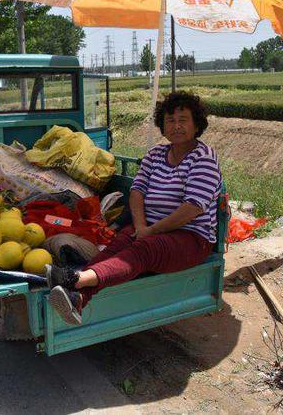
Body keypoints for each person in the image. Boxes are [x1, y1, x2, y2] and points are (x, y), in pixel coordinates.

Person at [46, 91, 223, 325]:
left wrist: (152, 231)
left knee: (144, 249)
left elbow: (191, 208)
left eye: (183, 120)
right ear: (162, 125)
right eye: (170, 120)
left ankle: (74, 279)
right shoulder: (156, 154)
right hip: (149, 227)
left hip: (191, 237)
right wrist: (140, 225)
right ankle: (79, 296)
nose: (176, 126)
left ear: (196, 124)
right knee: (117, 245)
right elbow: (137, 191)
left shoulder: (203, 158)